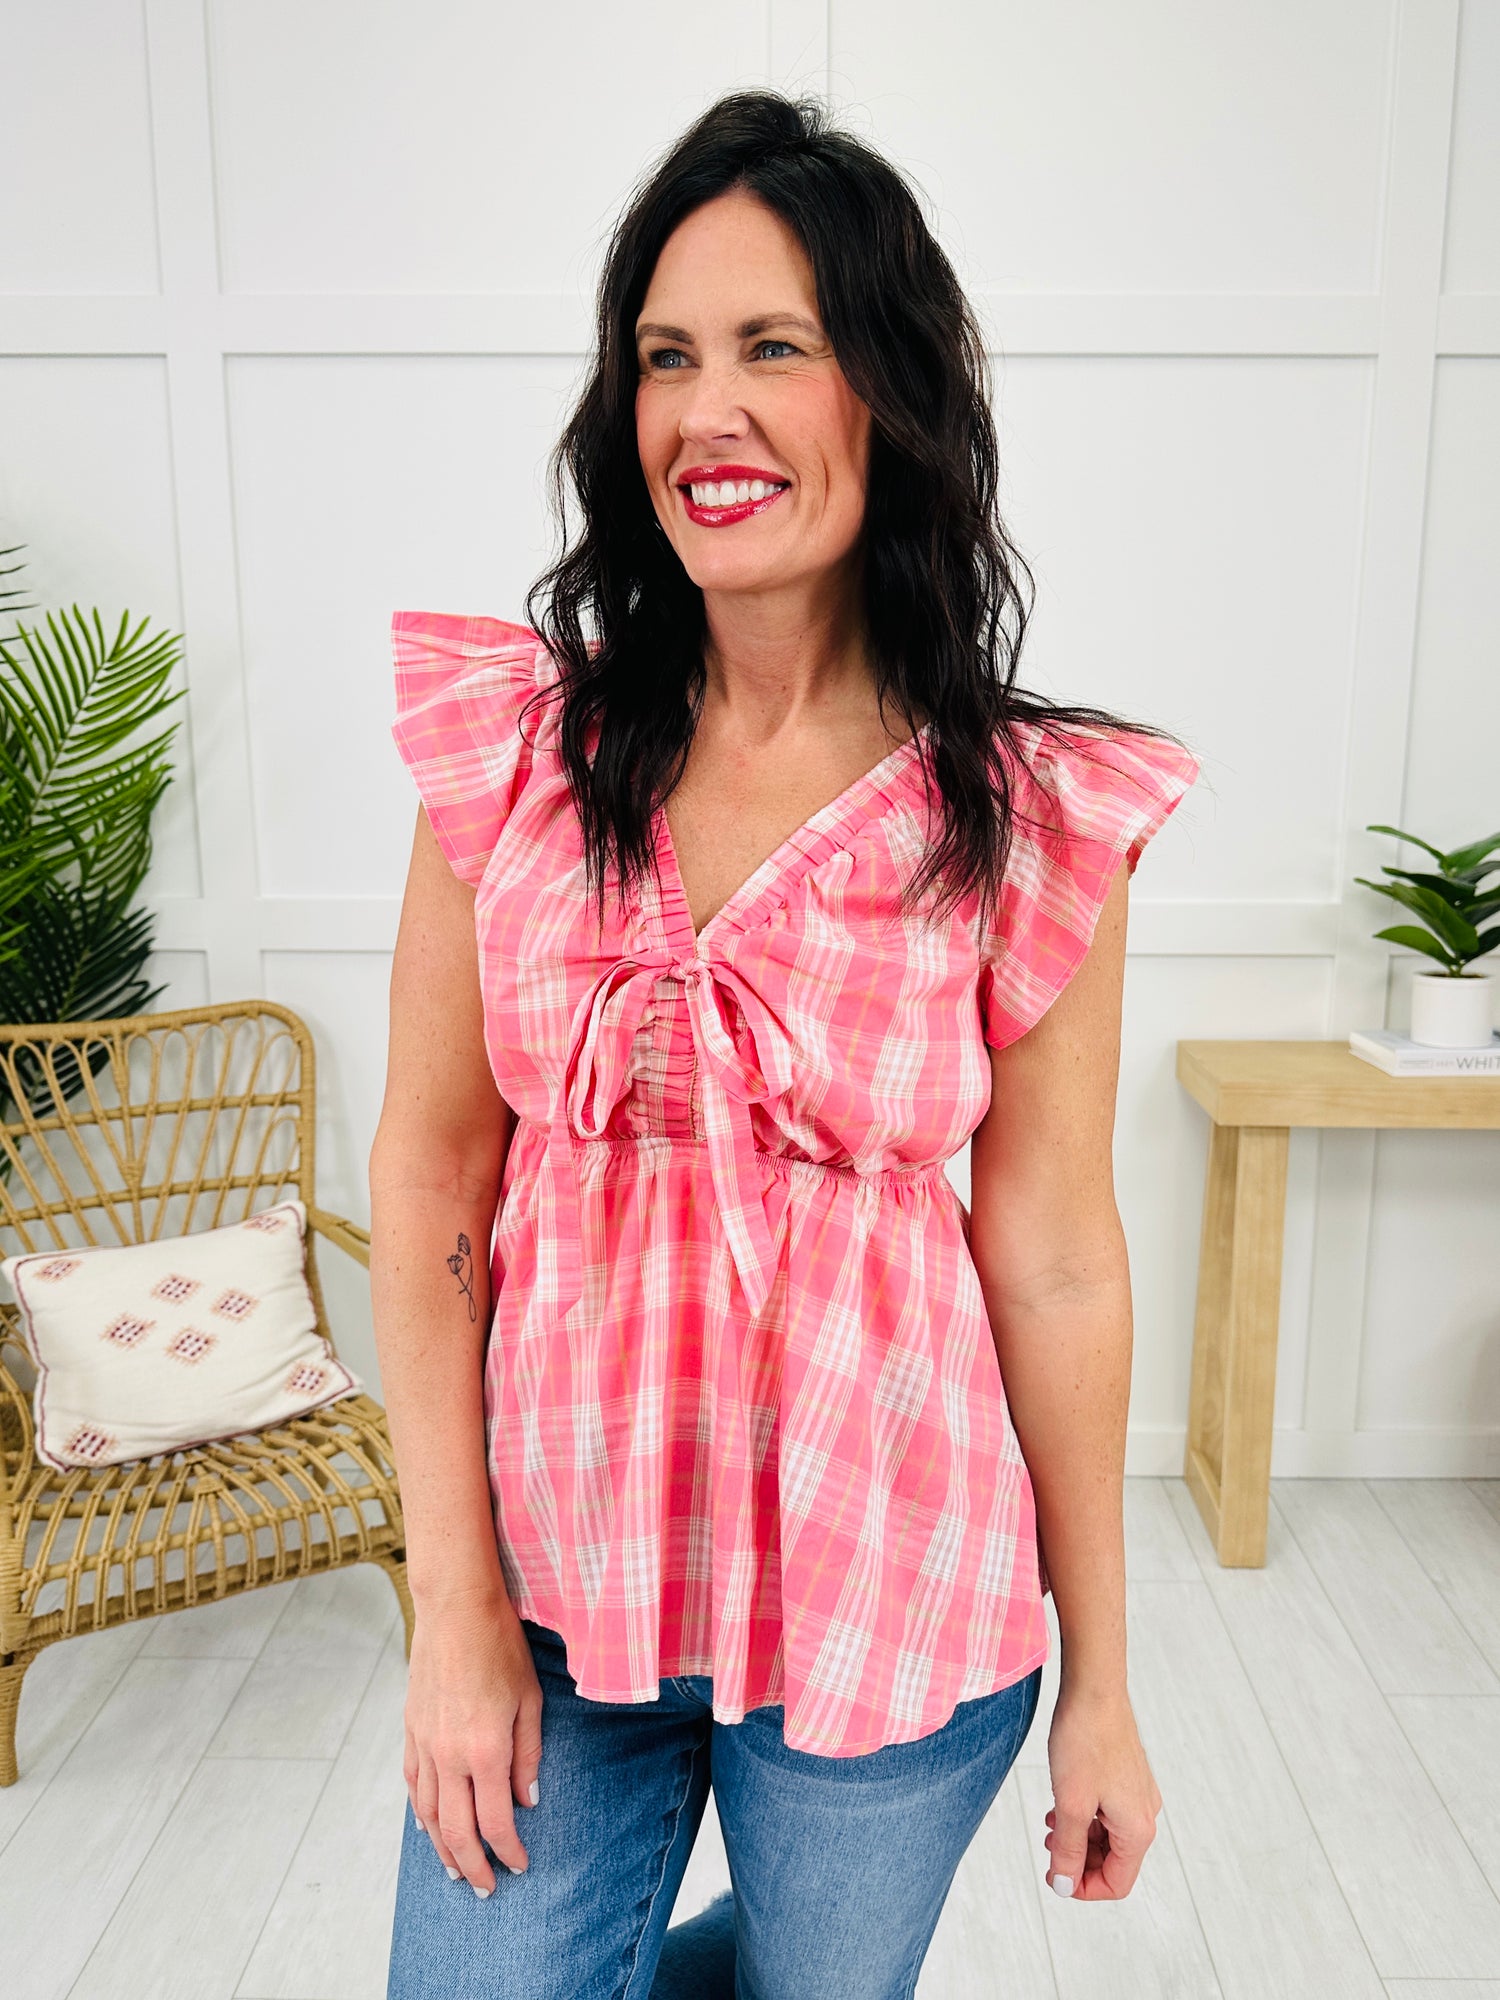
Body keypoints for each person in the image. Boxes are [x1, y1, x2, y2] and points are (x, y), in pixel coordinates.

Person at [373, 87, 1196, 2000]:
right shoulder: (517, 755)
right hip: (557, 1586)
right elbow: (430, 1178)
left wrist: (1106, 1683)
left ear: (885, 396)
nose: (706, 412)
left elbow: (1057, 1255)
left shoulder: (1024, 811)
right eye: (667, 358)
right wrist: (451, 1608)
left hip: (891, 1598)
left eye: (772, 348)